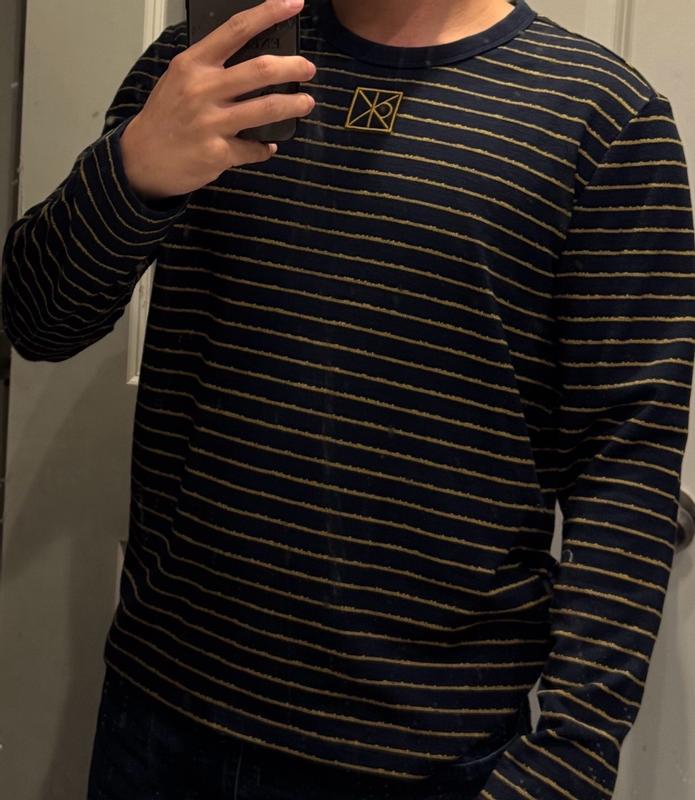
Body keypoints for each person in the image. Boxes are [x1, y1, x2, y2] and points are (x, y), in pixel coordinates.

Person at [2, 0, 694, 797]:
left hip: (426, 751)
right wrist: (132, 172)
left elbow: (625, 459)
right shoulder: (209, 64)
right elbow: (39, 322)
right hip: (164, 709)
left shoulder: (602, 116)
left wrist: (572, 755)